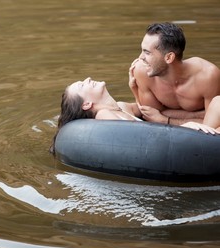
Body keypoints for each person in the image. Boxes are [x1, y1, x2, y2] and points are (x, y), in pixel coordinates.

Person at [50, 77, 220, 154]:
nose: (87, 79)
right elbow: (142, 139)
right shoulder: (104, 116)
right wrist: (185, 129)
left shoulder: (122, 107)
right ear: (86, 104)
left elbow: (148, 110)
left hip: (180, 138)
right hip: (182, 144)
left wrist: (135, 89)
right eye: (82, 85)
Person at [129, 22, 220, 130]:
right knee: (121, 107)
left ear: (169, 57)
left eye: (147, 52)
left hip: (202, 135)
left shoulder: (207, 75)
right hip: (179, 129)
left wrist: (166, 120)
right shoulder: (142, 71)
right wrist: (134, 89)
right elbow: (150, 115)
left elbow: (212, 121)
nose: (140, 57)